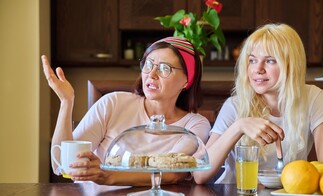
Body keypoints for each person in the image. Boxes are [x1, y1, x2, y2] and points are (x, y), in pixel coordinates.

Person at [42, 36, 211, 186]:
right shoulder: (113, 103)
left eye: (164, 68)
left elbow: (172, 173)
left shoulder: (195, 124)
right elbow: (61, 166)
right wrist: (66, 102)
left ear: (187, 81)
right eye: (148, 64)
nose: (151, 74)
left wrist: (107, 176)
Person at [194, 23, 323, 184]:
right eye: (252, 60)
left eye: (270, 61)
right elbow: (200, 175)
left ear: (290, 65)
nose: (258, 69)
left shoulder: (312, 97)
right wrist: (239, 127)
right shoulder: (234, 105)